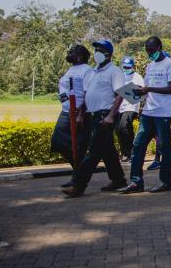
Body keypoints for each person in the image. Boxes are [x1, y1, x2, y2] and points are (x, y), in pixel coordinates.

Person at [62, 40, 128, 197]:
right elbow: (87, 94)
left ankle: (78, 185)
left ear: (109, 54)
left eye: (101, 50)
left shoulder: (114, 71)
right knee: (107, 151)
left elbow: (120, 94)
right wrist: (80, 114)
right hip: (94, 115)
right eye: (96, 49)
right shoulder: (94, 72)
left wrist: (111, 115)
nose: (97, 52)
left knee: (93, 151)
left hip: (105, 115)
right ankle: (118, 180)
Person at [119, 37, 171, 194]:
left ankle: (166, 182)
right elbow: (147, 88)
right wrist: (139, 90)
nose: (149, 53)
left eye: (151, 49)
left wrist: (149, 89)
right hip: (148, 111)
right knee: (138, 145)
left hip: (163, 112)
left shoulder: (170, 64)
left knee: (164, 148)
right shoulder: (150, 66)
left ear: (159, 47)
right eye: (146, 50)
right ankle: (136, 182)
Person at [52, 45, 93, 181]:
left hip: (80, 113)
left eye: (73, 51)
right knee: (58, 141)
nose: (70, 53)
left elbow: (88, 93)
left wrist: (81, 114)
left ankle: (77, 178)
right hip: (66, 112)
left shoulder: (87, 70)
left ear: (80, 56)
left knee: (79, 147)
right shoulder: (71, 69)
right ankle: (80, 169)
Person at [115, 57, 144, 162]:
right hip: (120, 106)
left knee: (124, 125)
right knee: (118, 129)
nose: (126, 68)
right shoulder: (119, 76)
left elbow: (140, 90)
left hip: (132, 105)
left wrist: (128, 91)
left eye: (129, 67)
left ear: (132, 66)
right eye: (125, 67)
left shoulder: (137, 77)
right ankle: (125, 153)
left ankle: (131, 152)